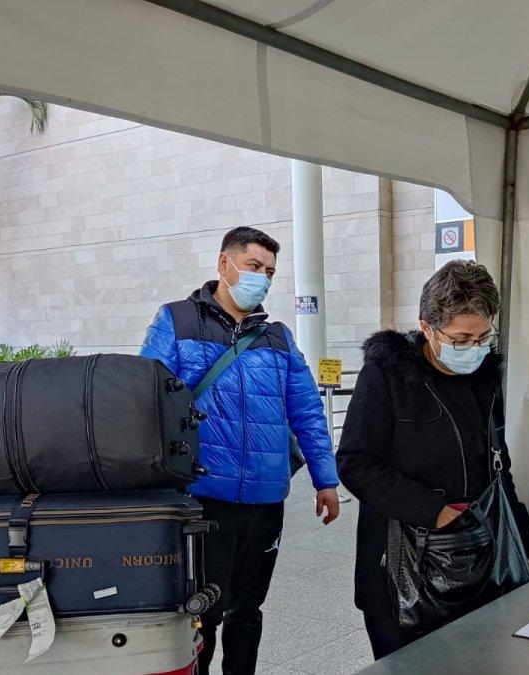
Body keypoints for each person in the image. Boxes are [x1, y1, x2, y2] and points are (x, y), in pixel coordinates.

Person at [139, 226, 341, 675]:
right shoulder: (177, 321)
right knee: (204, 610)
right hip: (204, 495)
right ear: (224, 264)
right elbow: (147, 400)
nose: (262, 279)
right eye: (254, 267)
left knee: (248, 608)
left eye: (269, 272)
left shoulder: (278, 338)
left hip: (267, 499)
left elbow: (307, 412)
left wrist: (326, 480)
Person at [336, 260, 529, 659]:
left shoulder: (485, 378)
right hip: (402, 568)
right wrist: (435, 511)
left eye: (484, 337)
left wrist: (528, 539)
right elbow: (355, 463)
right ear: (427, 328)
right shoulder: (387, 376)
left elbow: (498, 469)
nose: (474, 349)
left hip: (479, 558)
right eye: (460, 339)